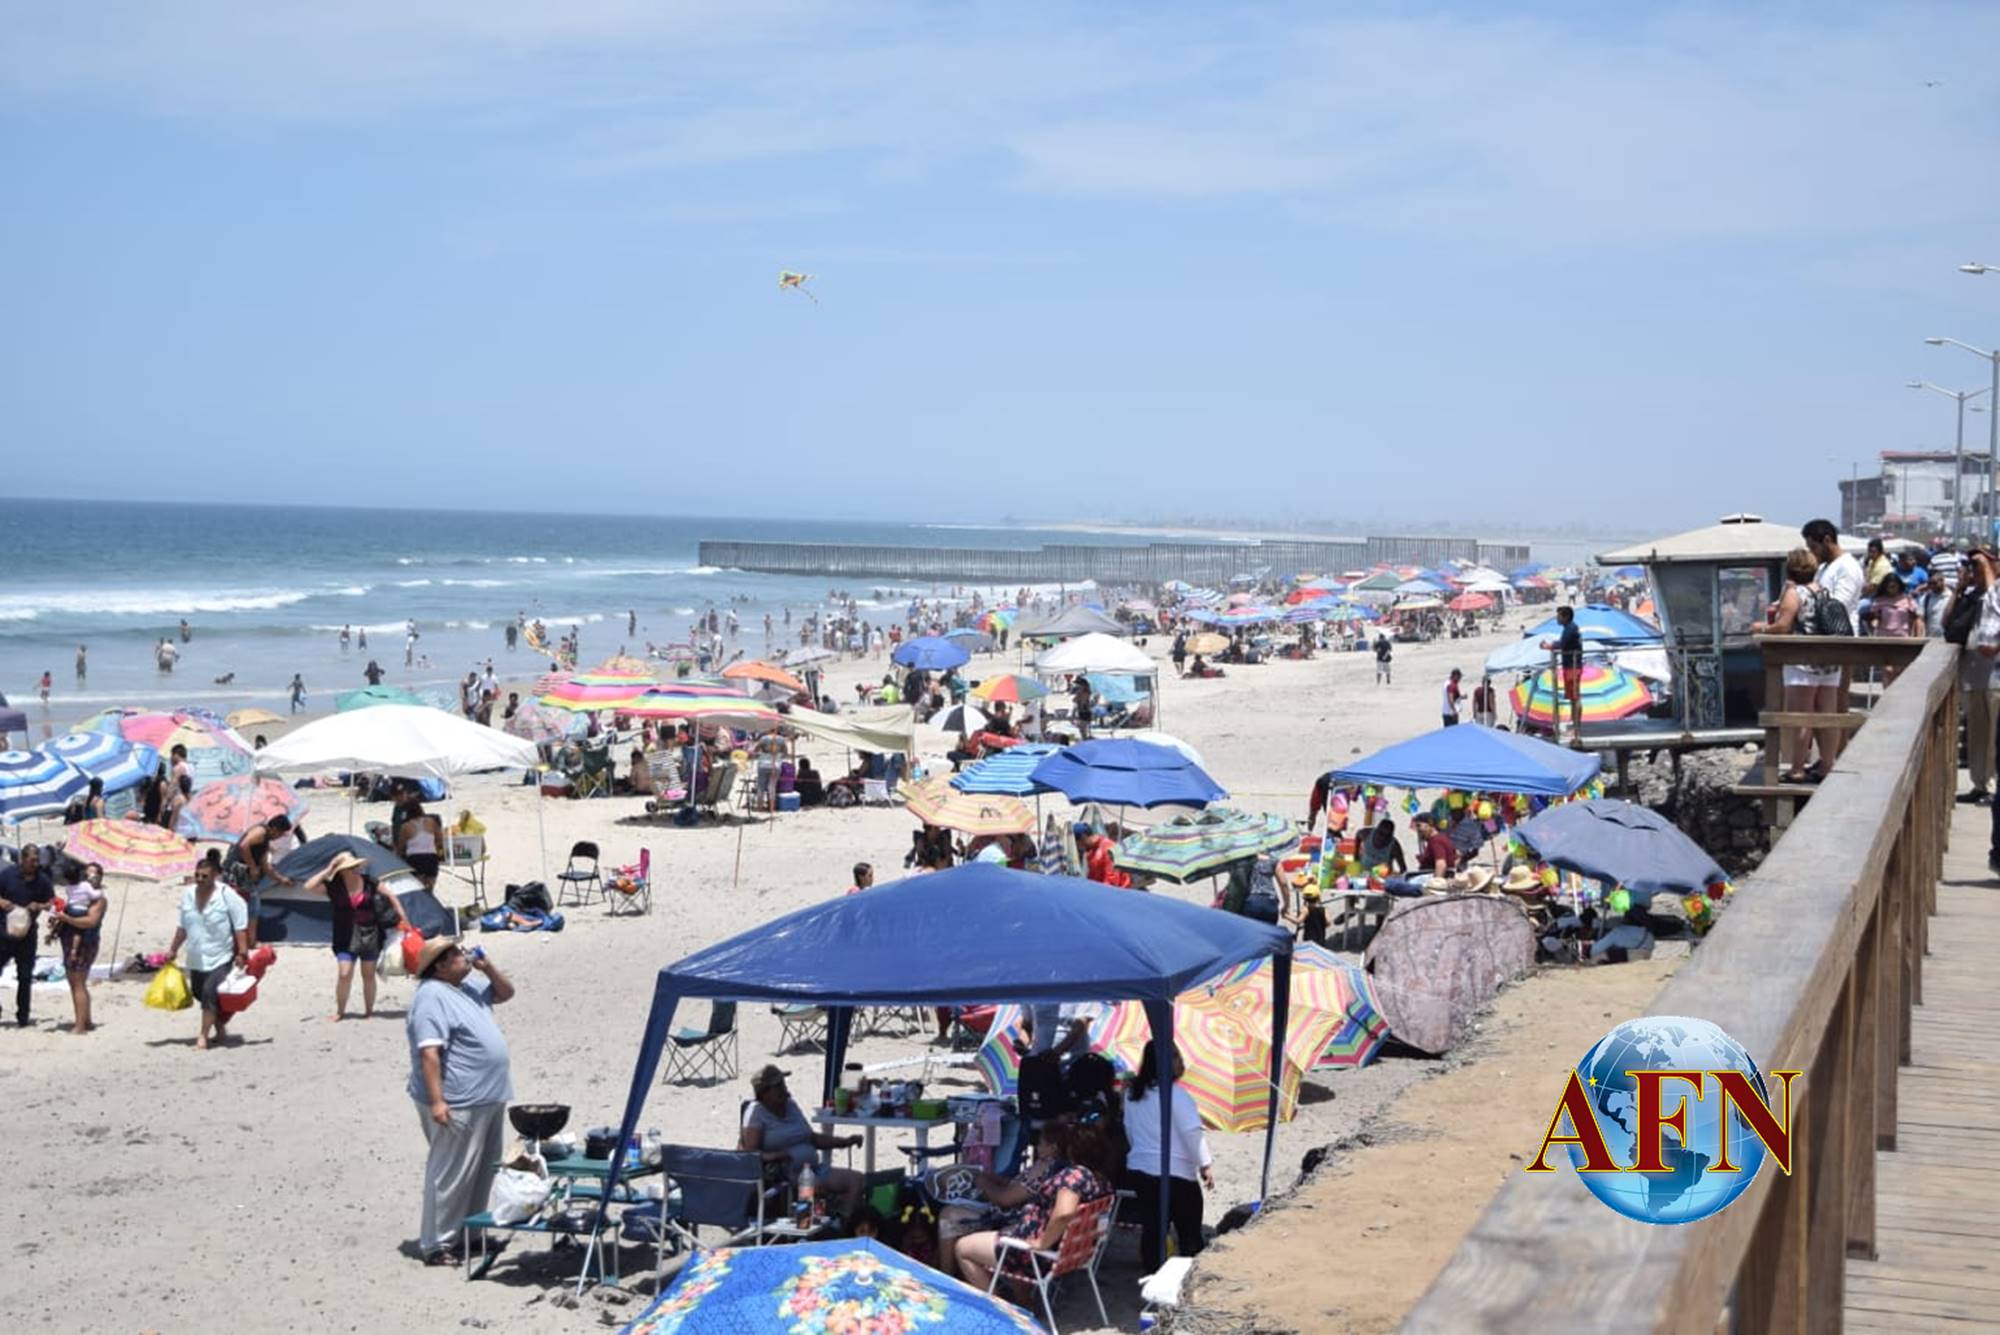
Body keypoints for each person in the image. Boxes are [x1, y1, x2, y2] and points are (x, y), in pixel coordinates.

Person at [406, 937, 516, 1268]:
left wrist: (488, 967)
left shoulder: (468, 987)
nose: (463, 956)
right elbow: (429, 1052)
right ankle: (437, 1243)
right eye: (455, 954)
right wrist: (438, 1102)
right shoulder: (431, 996)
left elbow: (506, 992)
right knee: (452, 1170)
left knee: (483, 1167)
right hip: (458, 1098)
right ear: (438, 965)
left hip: (488, 1095)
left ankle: (469, 1234)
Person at [947, 1116, 1117, 1292]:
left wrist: (1042, 1242)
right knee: (997, 1236)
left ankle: (998, 1306)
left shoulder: (1074, 1177)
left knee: (962, 1248)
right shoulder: (1101, 1180)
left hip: (1037, 1255)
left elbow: (1064, 1213)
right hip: (1070, 1254)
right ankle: (1024, 1304)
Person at [1122, 1042, 1214, 1272]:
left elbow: (1129, 1130)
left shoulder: (1132, 1094)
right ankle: (1188, 1280)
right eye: (1175, 1056)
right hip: (1175, 1173)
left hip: (1140, 1169)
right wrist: (1205, 1164)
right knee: (1189, 1231)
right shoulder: (1177, 1096)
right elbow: (1192, 1133)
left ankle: (1152, 1276)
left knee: (1153, 1228)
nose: (1180, 1061)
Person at [739, 1065, 864, 1218]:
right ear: (763, 1093)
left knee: (856, 1180)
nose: (783, 1088)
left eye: (783, 1083)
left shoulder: (790, 1105)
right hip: (786, 1176)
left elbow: (811, 1138)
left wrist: (845, 1141)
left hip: (813, 1169)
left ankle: (842, 1227)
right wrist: (774, 1156)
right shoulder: (756, 1112)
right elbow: (748, 1154)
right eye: (777, 1086)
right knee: (817, 1188)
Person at [303, 850, 409, 1021]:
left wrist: (404, 920)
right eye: (350, 867)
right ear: (342, 870)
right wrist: (329, 867)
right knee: (344, 974)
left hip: (371, 933)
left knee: (368, 974)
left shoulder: (370, 882)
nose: (355, 869)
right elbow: (308, 886)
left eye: (356, 866)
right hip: (345, 935)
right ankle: (340, 1011)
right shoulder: (334, 887)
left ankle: (368, 1011)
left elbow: (391, 896)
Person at [166, 855, 249, 1050]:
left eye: (205, 876)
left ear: (215, 876)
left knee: (209, 992)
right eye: (197, 875)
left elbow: (240, 926)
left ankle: (202, 1037)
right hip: (196, 957)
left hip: (221, 955)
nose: (200, 879)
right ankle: (219, 1027)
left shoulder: (226, 895)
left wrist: (242, 952)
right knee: (199, 993)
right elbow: (182, 926)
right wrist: (173, 949)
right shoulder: (188, 894)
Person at [1802, 518, 1865, 771]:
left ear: (1827, 540)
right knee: (1821, 704)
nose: (1812, 553)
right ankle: (1828, 758)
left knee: (1836, 704)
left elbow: (1838, 604)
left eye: (1814, 547)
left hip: (1840, 642)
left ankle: (1838, 757)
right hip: (1823, 644)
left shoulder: (1847, 567)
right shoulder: (1826, 567)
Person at [49, 860, 107, 1034]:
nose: (90, 878)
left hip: (85, 943)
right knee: (76, 983)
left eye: (93, 875)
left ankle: (80, 1026)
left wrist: (68, 920)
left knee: (78, 983)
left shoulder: (98, 901)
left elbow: (90, 921)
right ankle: (85, 1020)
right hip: (71, 940)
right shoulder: (79, 895)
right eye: (87, 874)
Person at [0, 844, 55, 1027]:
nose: (36, 864)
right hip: (3, 933)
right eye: (32, 860)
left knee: (25, 976)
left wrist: (38, 906)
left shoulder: (42, 880)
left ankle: (23, 1016)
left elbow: (52, 902)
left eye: (37, 860)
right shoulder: (7, 875)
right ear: (22, 860)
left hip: (27, 935)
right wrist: (3, 902)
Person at [227, 813, 293, 946]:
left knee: (252, 908)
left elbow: (265, 866)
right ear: (274, 828)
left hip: (246, 877)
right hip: (238, 874)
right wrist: (252, 867)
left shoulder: (265, 841)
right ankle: (246, 941)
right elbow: (243, 846)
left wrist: (280, 879)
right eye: (280, 833)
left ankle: (251, 941)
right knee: (248, 907)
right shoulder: (261, 831)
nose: (280, 837)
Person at [1538, 605, 1586, 743]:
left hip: (1573, 666)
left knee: (1575, 696)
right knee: (1573, 696)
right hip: (1570, 665)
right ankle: (1574, 726)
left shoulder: (1570, 628)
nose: (1557, 619)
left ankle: (1576, 728)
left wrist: (1548, 646)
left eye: (1559, 616)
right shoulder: (1570, 628)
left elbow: (1563, 644)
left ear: (1565, 616)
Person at [395, 802, 444, 890]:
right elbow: (439, 839)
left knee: (418, 888)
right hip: (431, 857)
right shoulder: (431, 822)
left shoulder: (405, 826)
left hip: (415, 859)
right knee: (430, 888)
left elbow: (401, 846)